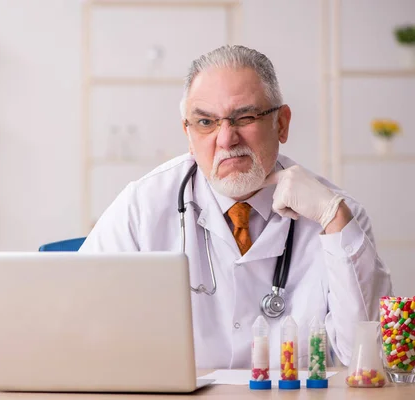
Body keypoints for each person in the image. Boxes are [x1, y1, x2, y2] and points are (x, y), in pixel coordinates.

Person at [79, 45, 393, 369]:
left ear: (282, 124)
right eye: (205, 122)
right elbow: (78, 322)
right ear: (188, 134)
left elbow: (370, 361)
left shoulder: (338, 215)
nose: (226, 139)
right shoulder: (142, 206)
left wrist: (334, 218)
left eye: (244, 117)